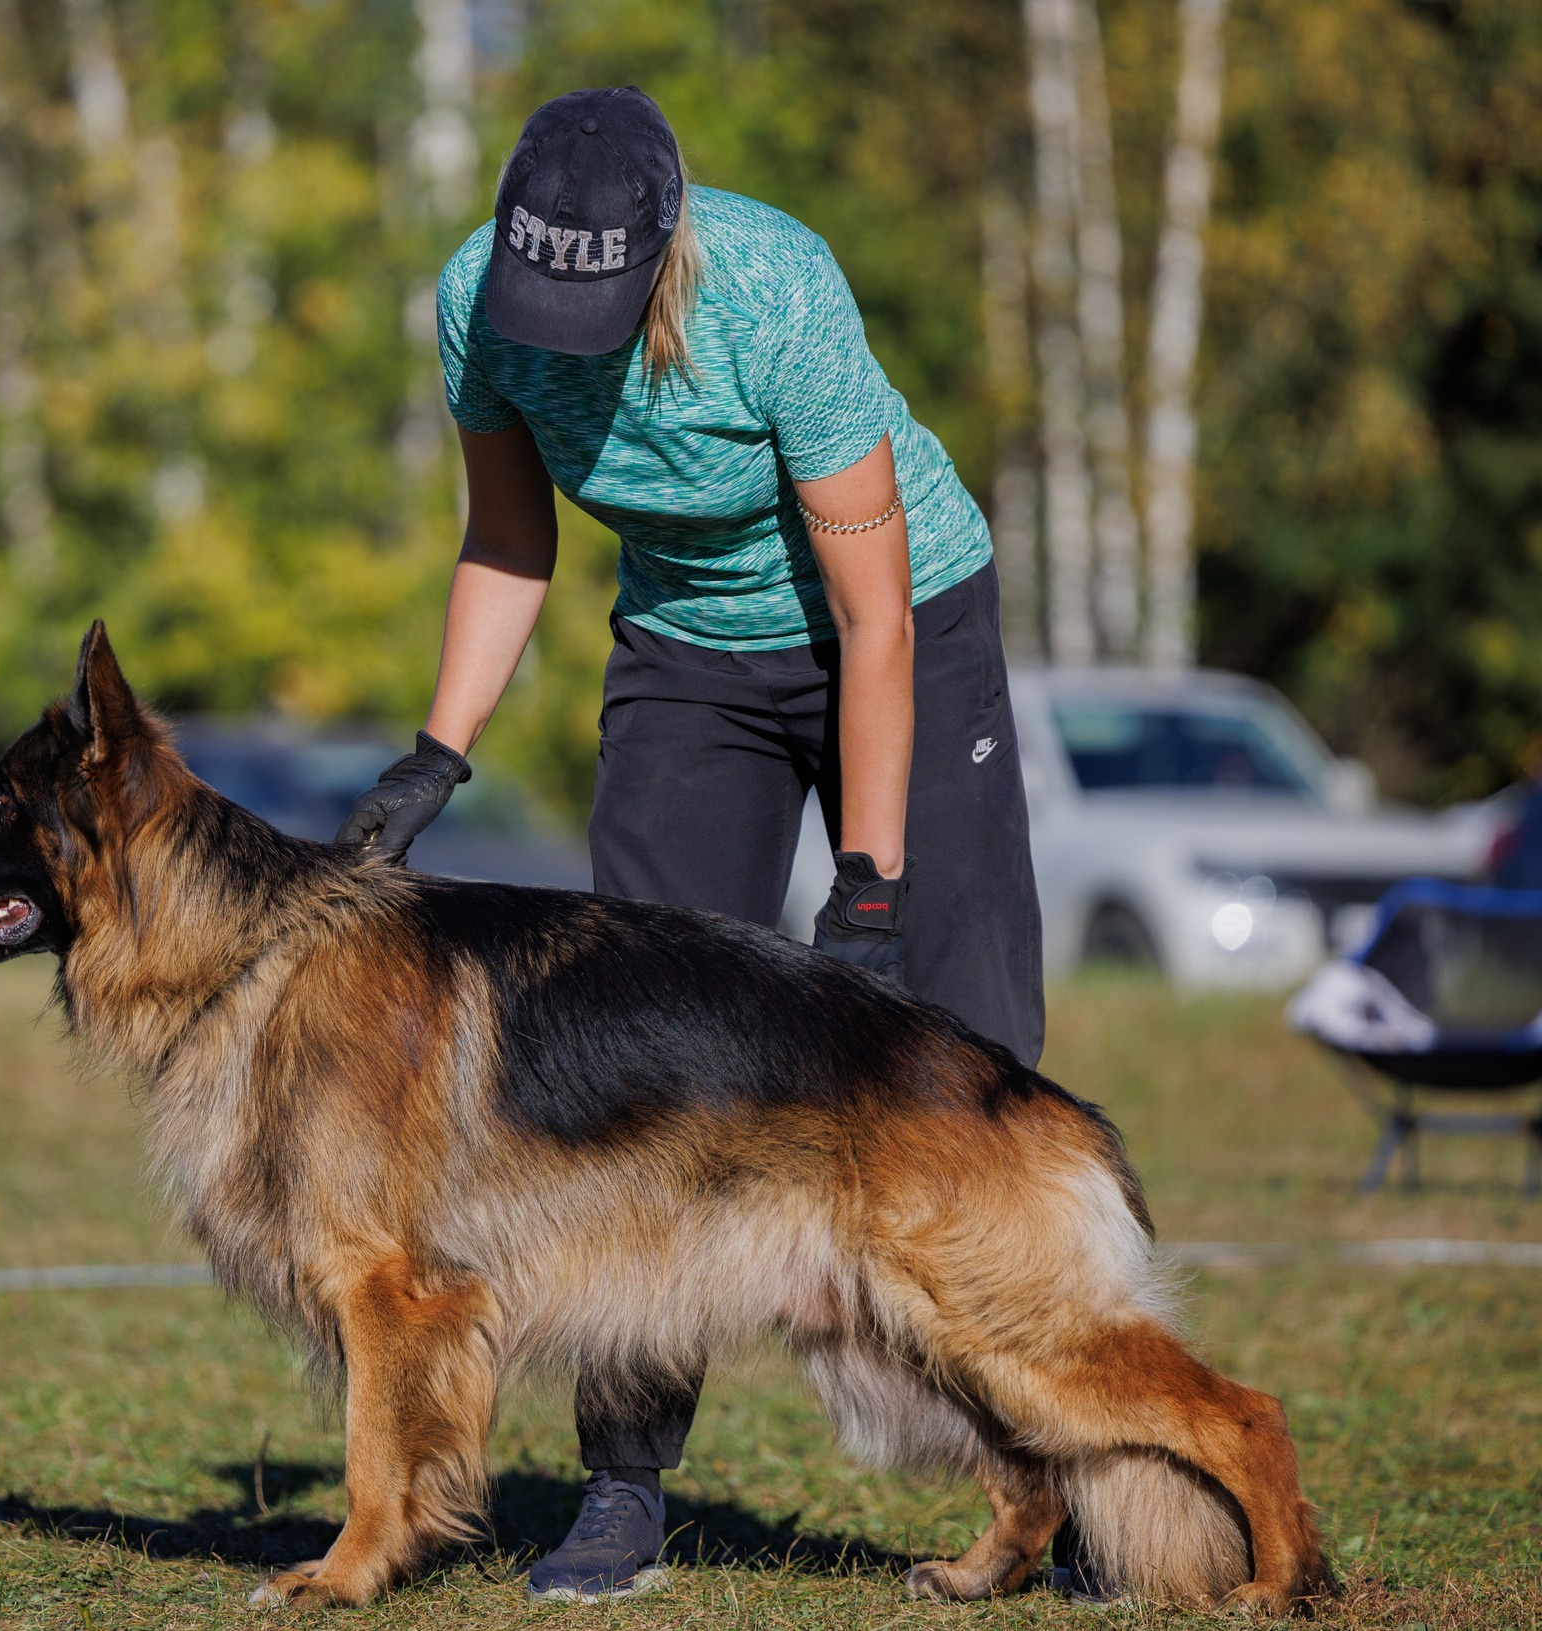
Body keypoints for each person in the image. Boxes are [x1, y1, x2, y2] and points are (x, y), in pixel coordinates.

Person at [337, 87, 1059, 1603]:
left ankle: (1061, 1477)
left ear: (662, 251)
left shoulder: (774, 286)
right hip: (685, 655)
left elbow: (869, 621)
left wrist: (868, 889)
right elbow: (508, 537)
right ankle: (622, 1486)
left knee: (970, 1044)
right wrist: (439, 750)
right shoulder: (479, 295)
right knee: (640, 1070)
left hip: (901, 628)